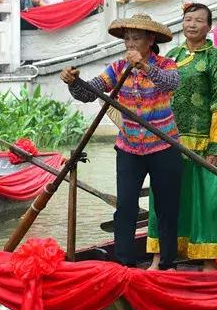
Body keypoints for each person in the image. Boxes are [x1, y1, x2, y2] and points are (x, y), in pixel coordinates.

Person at [60, 14, 181, 270]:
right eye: (127, 39)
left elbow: (172, 84)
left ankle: (168, 263)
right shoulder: (117, 68)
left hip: (164, 146)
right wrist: (73, 82)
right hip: (129, 147)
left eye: (136, 38)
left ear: (150, 40)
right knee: (125, 207)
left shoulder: (166, 64)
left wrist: (144, 67)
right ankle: (125, 265)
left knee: (167, 208)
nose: (130, 44)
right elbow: (88, 93)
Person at [146, 2, 217, 270]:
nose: (192, 24)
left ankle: (207, 262)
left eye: (198, 20)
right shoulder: (170, 56)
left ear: (209, 26)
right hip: (168, 142)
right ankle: (159, 259)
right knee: (164, 201)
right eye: (188, 19)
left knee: (207, 203)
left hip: (203, 144)